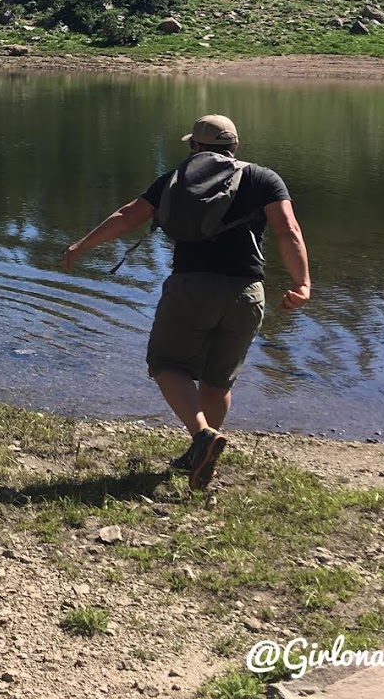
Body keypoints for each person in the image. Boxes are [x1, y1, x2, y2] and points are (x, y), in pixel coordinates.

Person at [59, 115, 310, 489]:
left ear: (195, 146)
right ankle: (200, 453)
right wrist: (301, 282)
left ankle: (201, 437)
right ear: (235, 147)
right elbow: (287, 229)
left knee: (166, 364)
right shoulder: (263, 178)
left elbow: (128, 216)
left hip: (191, 287)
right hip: (246, 293)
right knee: (218, 381)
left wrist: (82, 246)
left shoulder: (176, 179)